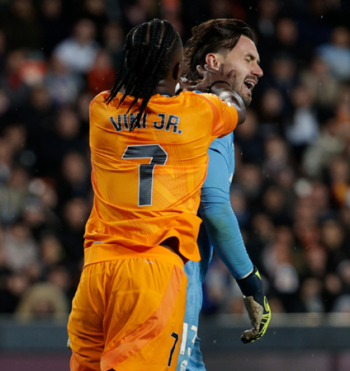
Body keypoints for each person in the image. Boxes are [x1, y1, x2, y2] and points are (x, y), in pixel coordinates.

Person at [67, 19, 245, 371]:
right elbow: (235, 106)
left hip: (97, 270)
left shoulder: (100, 110)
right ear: (178, 69)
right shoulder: (197, 113)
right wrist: (217, 85)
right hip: (151, 274)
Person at [178, 19, 271, 371]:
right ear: (214, 63)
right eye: (248, 59)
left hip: (116, 271)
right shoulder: (210, 112)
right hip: (173, 278)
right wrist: (251, 283)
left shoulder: (162, 110)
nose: (259, 71)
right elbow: (214, 206)